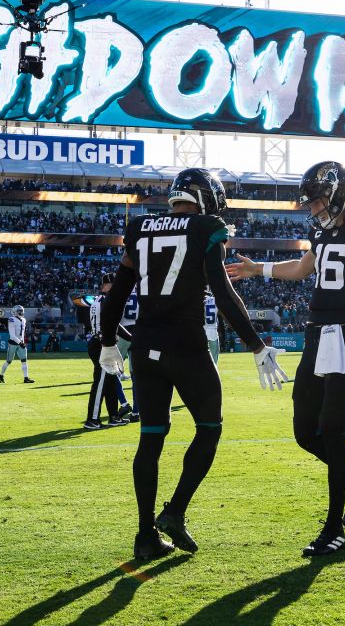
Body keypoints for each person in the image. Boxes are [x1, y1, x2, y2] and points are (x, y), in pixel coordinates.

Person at [100, 167, 287, 561]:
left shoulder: (141, 228)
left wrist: (107, 341)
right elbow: (222, 292)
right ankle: (176, 511)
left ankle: (144, 535)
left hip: (145, 348)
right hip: (185, 346)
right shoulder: (205, 228)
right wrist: (256, 344)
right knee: (209, 427)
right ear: (207, 199)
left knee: (150, 439)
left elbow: (118, 291)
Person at [226, 160, 345, 557]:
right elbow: (304, 267)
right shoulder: (320, 233)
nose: (312, 208)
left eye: (318, 200)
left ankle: (333, 528)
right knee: (305, 431)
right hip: (316, 334)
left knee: (332, 431)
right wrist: (260, 269)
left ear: (339, 192)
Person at [86, 273, 132, 430]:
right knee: (100, 383)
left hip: (101, 341)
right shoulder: (107, 301)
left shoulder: (97, 300)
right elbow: (114, 325)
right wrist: (131, 337)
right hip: (102, 343)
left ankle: (114, 416)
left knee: (111, 381)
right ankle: (92, 419)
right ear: (107, 285)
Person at [0, 305, 34, 384]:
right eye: (19, 311)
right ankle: (1, 375)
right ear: (14, 312)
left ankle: (26, 378)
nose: (20, 312)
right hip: (13, 343)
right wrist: (20, 342)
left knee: (24, 360)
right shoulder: (12, 319)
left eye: (21, 311)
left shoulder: (23, 319)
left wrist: (22, 341)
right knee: (9, 361)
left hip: (21, 343)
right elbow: (12, 335)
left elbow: (22, 332)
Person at [203, 290, 220, 364]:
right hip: (213, 331)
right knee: (214, 358)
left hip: (203, 330)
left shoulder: (201, 301)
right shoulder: (215, 301)